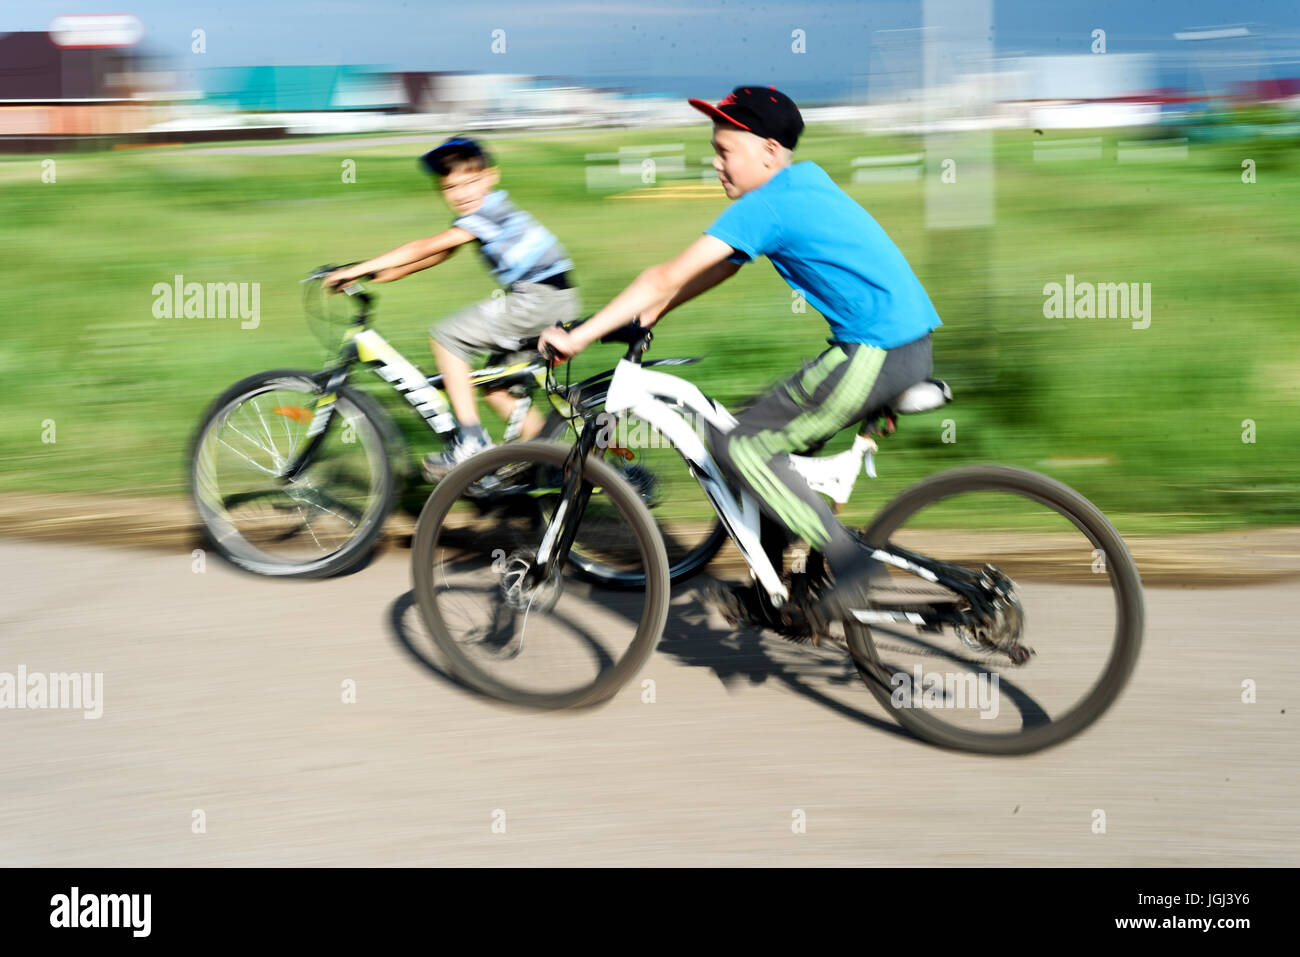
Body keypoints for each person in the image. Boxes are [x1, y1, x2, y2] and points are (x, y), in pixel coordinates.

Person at [538, 85, 942, 627]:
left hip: (874, 353)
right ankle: (775, 590)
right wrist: (655, 312)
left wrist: (580, 335)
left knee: (740, 447)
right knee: (751, 431)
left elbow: (663, 273)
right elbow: (721, 267)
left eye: (726, 150)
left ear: (769, 152)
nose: (715, 161)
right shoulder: (802, 182)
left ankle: (851, 565)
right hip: (899, 346)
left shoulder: (769, 204)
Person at [326, 136, 581, 478]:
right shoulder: (485, 215)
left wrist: (353, 270)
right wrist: (380, 273)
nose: (462, 193)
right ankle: (560, 465)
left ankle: (471, 441)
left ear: (492, 175)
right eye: (451, 187)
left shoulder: (490, 211)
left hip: (538, 300)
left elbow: (428, 246)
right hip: (554, 299)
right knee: (497, 388)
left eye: (471, 182)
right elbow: (438, 254)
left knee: (447, 337)